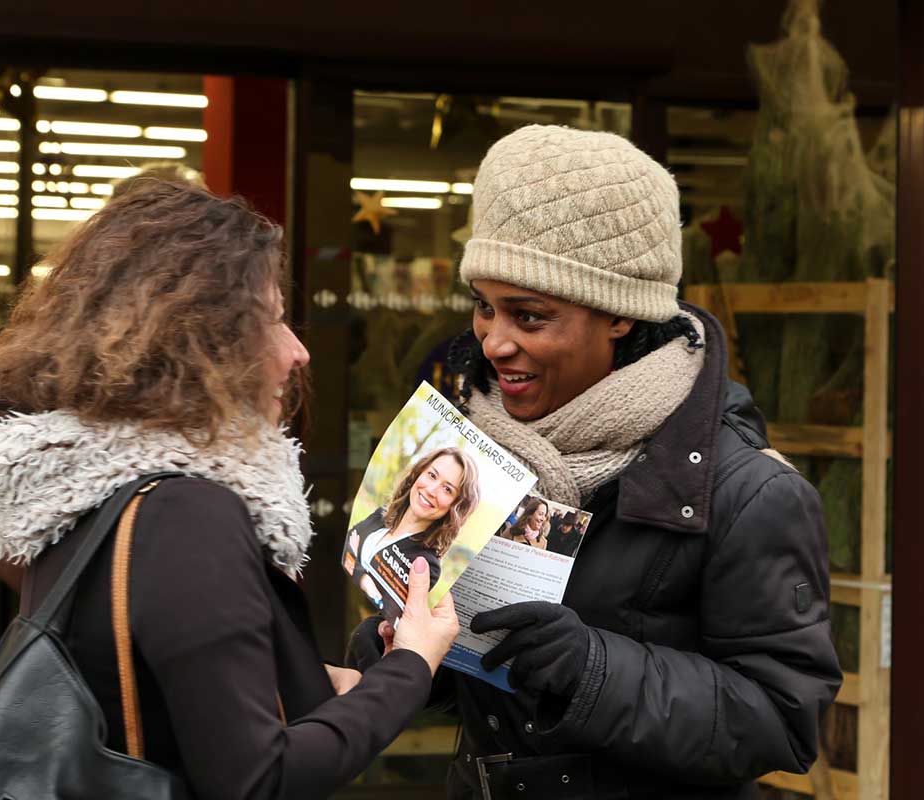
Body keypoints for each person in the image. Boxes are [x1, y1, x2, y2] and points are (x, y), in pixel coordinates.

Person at [350, 125, 842, 799]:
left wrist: (592, 668)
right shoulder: (473, 453)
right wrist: (406, 648)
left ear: (619, 315)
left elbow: (784, 720)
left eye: (529, 317)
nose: (493, 342)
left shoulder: (750, 492)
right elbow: (484, 698)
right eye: (484, 308)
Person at [0, 180, 459, 800]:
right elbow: (257, 779)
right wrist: (411, 667)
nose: (298, 351)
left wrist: (325, 680)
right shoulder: (186, 513)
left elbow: (152, 691)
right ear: (198, 341)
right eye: (271, 321)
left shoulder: (83, 488)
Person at [346, 446, 480, 620]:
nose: (431, 490)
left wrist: (357, 568)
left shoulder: (426, 564)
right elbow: (345, 547)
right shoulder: (381, 515)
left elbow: (387, 610)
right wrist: (366, 580)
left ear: (455, 506)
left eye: (447, 489)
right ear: (419, 473)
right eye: (432, 475)